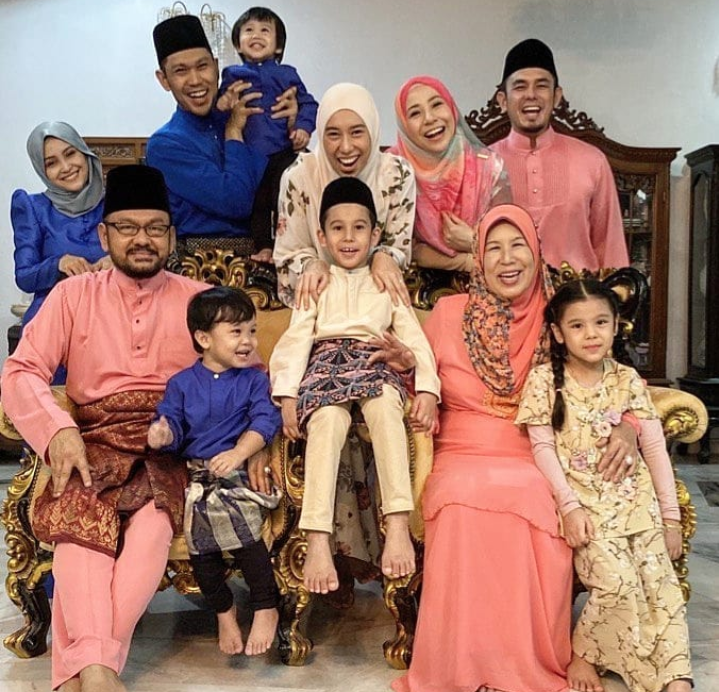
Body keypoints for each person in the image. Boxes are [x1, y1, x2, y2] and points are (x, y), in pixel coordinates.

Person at [1, 165, 262, 692]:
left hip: (169, 445)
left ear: (171, 236)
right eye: (127, 227)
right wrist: (56, 430)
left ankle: (85, 673)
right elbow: (20, 370)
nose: (142, 239)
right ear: (104, 235)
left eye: (155, 228)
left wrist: (249, 442)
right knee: (79, 524)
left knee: (153, 526)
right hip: (90, 441)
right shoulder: (72, 296)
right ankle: (99, 673)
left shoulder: (204, 301)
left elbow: (251, 373)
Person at [392, 204, 638, 692]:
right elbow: (417, 374)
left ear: (536, 251)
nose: (507, 259)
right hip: (462, 448)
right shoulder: (447, 314)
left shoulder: (558, 317)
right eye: (494, 248)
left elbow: (618, 378)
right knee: (462, 501)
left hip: (538, 449)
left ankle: (527, 664)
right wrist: (414, 382)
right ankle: (461, 664)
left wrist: (628, 427)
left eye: (518, 245)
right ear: (478, 260)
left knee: (535, 495)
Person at [516, 279, 692, 692]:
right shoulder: (544, 381)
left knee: (662, 589)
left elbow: (655, 451)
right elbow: (543, 450)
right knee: (617, 585)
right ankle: (585, 654)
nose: (591, 334)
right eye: (577, 326)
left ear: (616, 325)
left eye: (600, 322)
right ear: (558, 333)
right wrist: (569, 507)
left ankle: (676, 676)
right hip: (590, 513)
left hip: (639, 507)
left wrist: (670, 518)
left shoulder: (628, 380)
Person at [269, 177, 440, 594]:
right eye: (338, 228)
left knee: (385, 408)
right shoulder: (316, 282)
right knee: (327, 420)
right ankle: (317, 538)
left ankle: (397, 524)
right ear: (322, 237)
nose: (348, 238)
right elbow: (295, 339)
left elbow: (414, 339)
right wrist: (288, 395)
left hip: (375, 360)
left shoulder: (386, 282)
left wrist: (427, 389)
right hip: (326, 364)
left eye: (359, 227)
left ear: (375, 234)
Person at [147, 286, 281, 656]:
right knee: (200, 550)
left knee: (248, 536)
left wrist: (239, 453)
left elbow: (265, 419)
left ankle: (266, 606)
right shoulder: (181, 384)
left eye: (252, 331)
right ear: (204, 339)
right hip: (198, 478)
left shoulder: (254, 380)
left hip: (238, 474)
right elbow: (171, 423)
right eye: (236, 332)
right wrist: (163, 435)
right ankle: (224, 610)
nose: (248, 341)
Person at [146, 14, 297, 255]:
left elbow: (288, 176)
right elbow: (237, 202)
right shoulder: (165, 145)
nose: (195, 80)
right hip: (197, 262)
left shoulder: (248, 114)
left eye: (202, 66)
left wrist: (290, 127)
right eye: (181, 71)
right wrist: (234, 131)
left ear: (216, 67)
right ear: (164, 80)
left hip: (270, 253)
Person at [273, 82, 416, 309]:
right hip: (319, 304)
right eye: (333, 134)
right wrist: (311, 265)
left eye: (357, 132)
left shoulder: (397, 175)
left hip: (376, 304)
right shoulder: (300, 177)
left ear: (372, 130)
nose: (346, 147)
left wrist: (383, 256)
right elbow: (288, 255)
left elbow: (399, 248)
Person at [492, 39, 628, 272]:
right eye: (520, 87)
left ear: (556, 97)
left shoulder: (592, 161)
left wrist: (619, 290)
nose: (531, 95)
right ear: (503, 101)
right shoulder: (482, 165)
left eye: (541, 85)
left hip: (579, 293)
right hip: (506, 293)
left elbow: (611, 249)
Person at [216, 6, 318, 262]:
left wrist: (302, 127)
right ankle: (263, 246)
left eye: (265, 30)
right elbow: (219, 107)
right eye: (248, 30)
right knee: (257, 202)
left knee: (284, 196)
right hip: (249, 154)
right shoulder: (232, 75)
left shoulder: (287, 74)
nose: (256, 35)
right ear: (238, 45)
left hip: (283, 150)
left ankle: (289, 242)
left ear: (279, 46)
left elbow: (308, 104)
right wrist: (224, 102)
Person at [390, 75, 510, 272]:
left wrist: (472, 240)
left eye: (437, 104)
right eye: (415, 113)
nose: (429, 118)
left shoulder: (489, 167)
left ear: (452, 109)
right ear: (404, 125)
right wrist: (467, 261)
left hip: (489, 284)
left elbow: (509, 244)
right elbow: (394, 249)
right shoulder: (393, 171)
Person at [12, 121, 110, 328]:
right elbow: (24, 277)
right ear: (42, 170)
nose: (66, 167)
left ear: (84, 152)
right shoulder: (33, 207)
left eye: (70, 154)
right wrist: (58, 264)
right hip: (53, 322)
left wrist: (120, 262)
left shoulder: (117, 201)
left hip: (110, 317)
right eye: (51, 163)